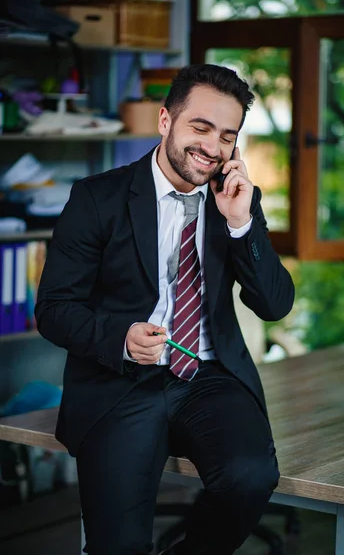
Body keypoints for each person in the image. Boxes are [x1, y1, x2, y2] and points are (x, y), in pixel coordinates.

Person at [35, 63, 295, 555]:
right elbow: (53, 308)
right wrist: (120, 337)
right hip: (118, 381)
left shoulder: (237, 200)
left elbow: (275, 304)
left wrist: (241, 224)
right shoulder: (97, 198)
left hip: (207, 375)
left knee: (251, 477)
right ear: (165, 121)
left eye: (227, 136)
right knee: (119, 545)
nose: (212, 147)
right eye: (200, 127)